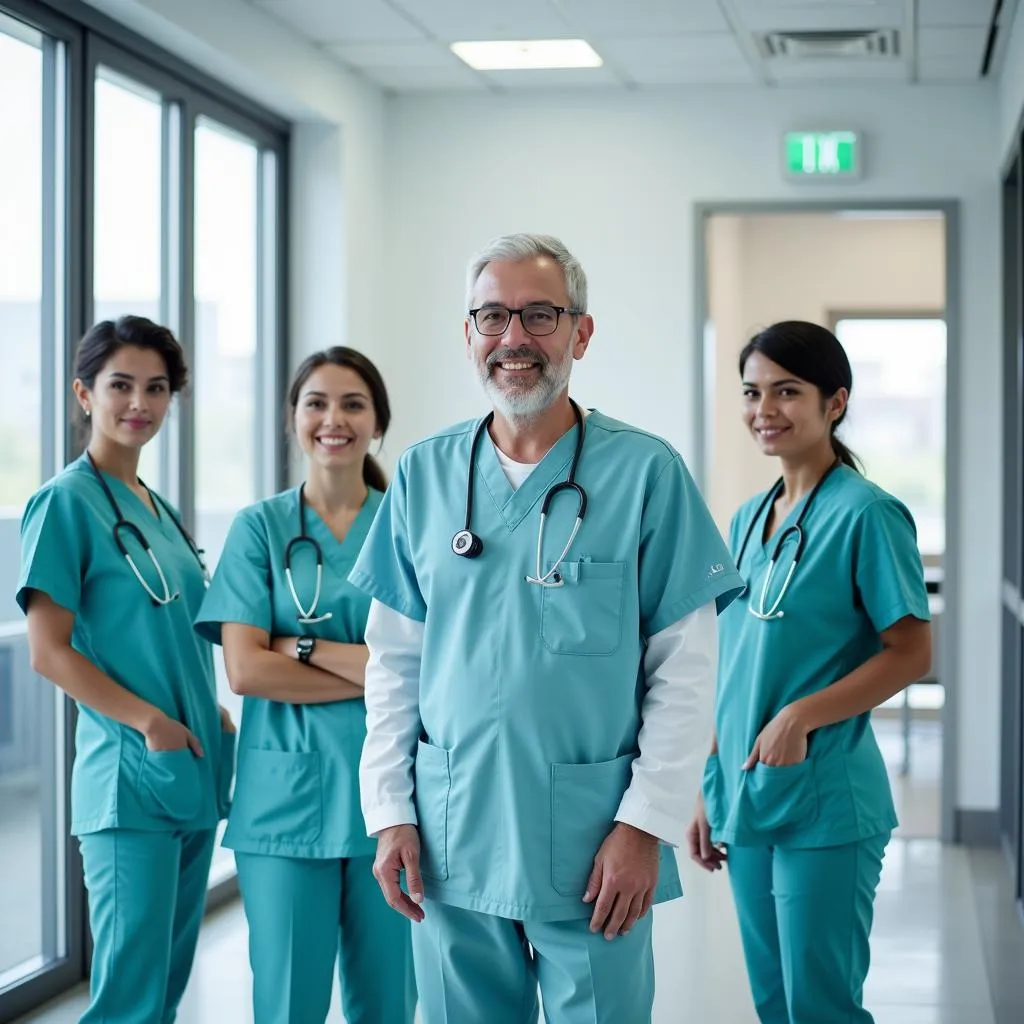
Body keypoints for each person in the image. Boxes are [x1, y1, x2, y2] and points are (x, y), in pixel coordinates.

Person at [347, 233, 744, 1024]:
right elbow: (394, 666)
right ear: (469, 335)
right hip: (453, 828)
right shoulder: (426, 475)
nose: (514, 339)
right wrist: (389, 809)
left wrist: (644, 825)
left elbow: (686, 669)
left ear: (580, 333)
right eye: (492, 317)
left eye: (539, 315)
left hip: (595, 839)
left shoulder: (645, 473)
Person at [687, 321, 933, 1024]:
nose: (765, 408)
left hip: (825, 800)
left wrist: (802, 714)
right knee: (772, 1002)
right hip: (747, 790)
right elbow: (731, 658)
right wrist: (708, 783)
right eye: (752, 391)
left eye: (787, 391)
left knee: (820, 1006)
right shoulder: (746, 519)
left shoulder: (870, 514)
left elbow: (912, 651)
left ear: (836, 401)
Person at [17, 315, 235, 1023]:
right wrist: (149, 720)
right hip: (130, 777)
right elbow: (49, 650)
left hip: (192, 764)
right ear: (84, 394)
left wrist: (209, 712)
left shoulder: (159, 511)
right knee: (129, 995)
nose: (138, 402)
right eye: (120, 386)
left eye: (156, 387)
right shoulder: (64, 504)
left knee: (165, 985)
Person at [194, 347, 416, 1024]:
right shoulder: (260, 529)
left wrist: (305, 646)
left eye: (353, 403)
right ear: (293, 418)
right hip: (282, 811)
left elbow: (429, 668)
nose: (333, 418)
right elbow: (245, 669)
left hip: (394, 807)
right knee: (288, 1002)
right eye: (316, 402)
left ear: (377, 422)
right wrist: (377, 674)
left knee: (387, 1003)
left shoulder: (407, 525)